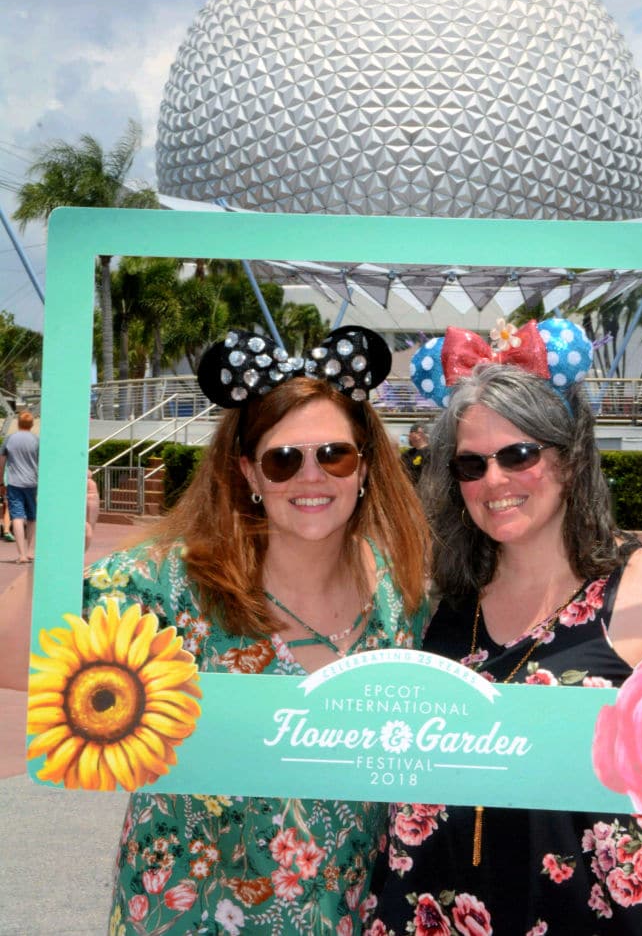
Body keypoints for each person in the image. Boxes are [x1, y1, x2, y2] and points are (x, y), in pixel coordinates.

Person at [369, 321, 642, 936]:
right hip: (452, 902)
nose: (494, 481)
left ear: (569, 461)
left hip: (611, 911)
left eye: (518, 455)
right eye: (471, 463)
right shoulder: (442, 595)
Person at [80, 327, 430, 935]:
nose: (311, 476)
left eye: (334, 454)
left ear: (365, 466)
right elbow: (20, 661)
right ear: (248, 472)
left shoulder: (406, 598)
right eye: (283, 459)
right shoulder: (169, 585)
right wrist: (51, 550)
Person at [0, 409, 39, 563]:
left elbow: (2, 462)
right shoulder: (36, 440)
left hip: (14, 483)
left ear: (18, 423)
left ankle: (21, 554)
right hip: (32, 483)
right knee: (32, 518)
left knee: (16, 516)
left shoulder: (9, 439)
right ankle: (29, 551)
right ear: (31, 424)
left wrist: (1, 482)